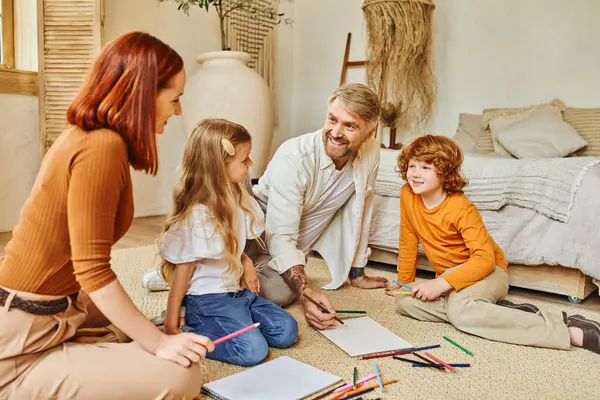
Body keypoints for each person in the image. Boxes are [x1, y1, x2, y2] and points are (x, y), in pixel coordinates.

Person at [0, 31, 216, 400]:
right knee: (181, 376)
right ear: (144, 95)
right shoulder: (100, 146)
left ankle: (86, 349)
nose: (178, 109)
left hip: (53, 304)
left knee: (136, 324)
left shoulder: (94, 138)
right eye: (175, 98)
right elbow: (92, 269)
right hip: (22, 339)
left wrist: (149, 336)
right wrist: (160, 345)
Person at [143, 83, 389, 331]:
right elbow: (280, 233)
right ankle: (189, 273)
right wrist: (305, 293)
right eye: (332, 119)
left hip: (274, 247)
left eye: (349, 126)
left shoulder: (371, 153)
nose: (335, 132)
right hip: (253, 228)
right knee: (229, 170)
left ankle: (210, 271)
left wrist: (357, 273)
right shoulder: (295, 156)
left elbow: (363, 209)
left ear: (370, 133)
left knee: (280, 293)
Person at [386, 134, 600, 354]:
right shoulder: (407, 195)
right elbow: (408, 239)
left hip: (487, 271)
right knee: (404, 303)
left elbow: (484, 260)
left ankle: (565, 329)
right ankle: (493, 312)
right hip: (453, 278)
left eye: (425, 168)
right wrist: (404, 282)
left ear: (444, 172)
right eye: (412, 166)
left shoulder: (461, 207)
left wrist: (441, 284)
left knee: (461, 313)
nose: (415, 174)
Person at [158, 118, 298, 367]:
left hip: (239, 293)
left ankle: (233, 324)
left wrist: (245, 261)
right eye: (244, 160)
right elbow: (184, 271)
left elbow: (231, 244)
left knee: (287, 331)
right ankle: (192, 328)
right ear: (219, 165)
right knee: (252, 351)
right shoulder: (199, 214)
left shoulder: (236, 196)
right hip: (208, 299)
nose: (251, 164)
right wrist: (171, 326)